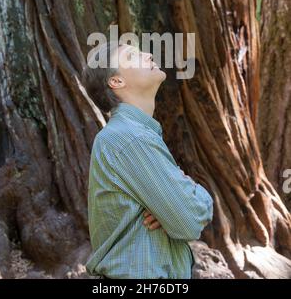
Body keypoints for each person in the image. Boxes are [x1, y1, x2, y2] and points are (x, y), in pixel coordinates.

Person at [82, 40, 213, 279]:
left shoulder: (134, 135)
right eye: (132, 56)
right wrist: (190, 196)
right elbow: (189, 221)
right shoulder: (131, 138)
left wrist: (173, 208)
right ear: (116, 81)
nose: (148, 54)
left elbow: (181, 217)